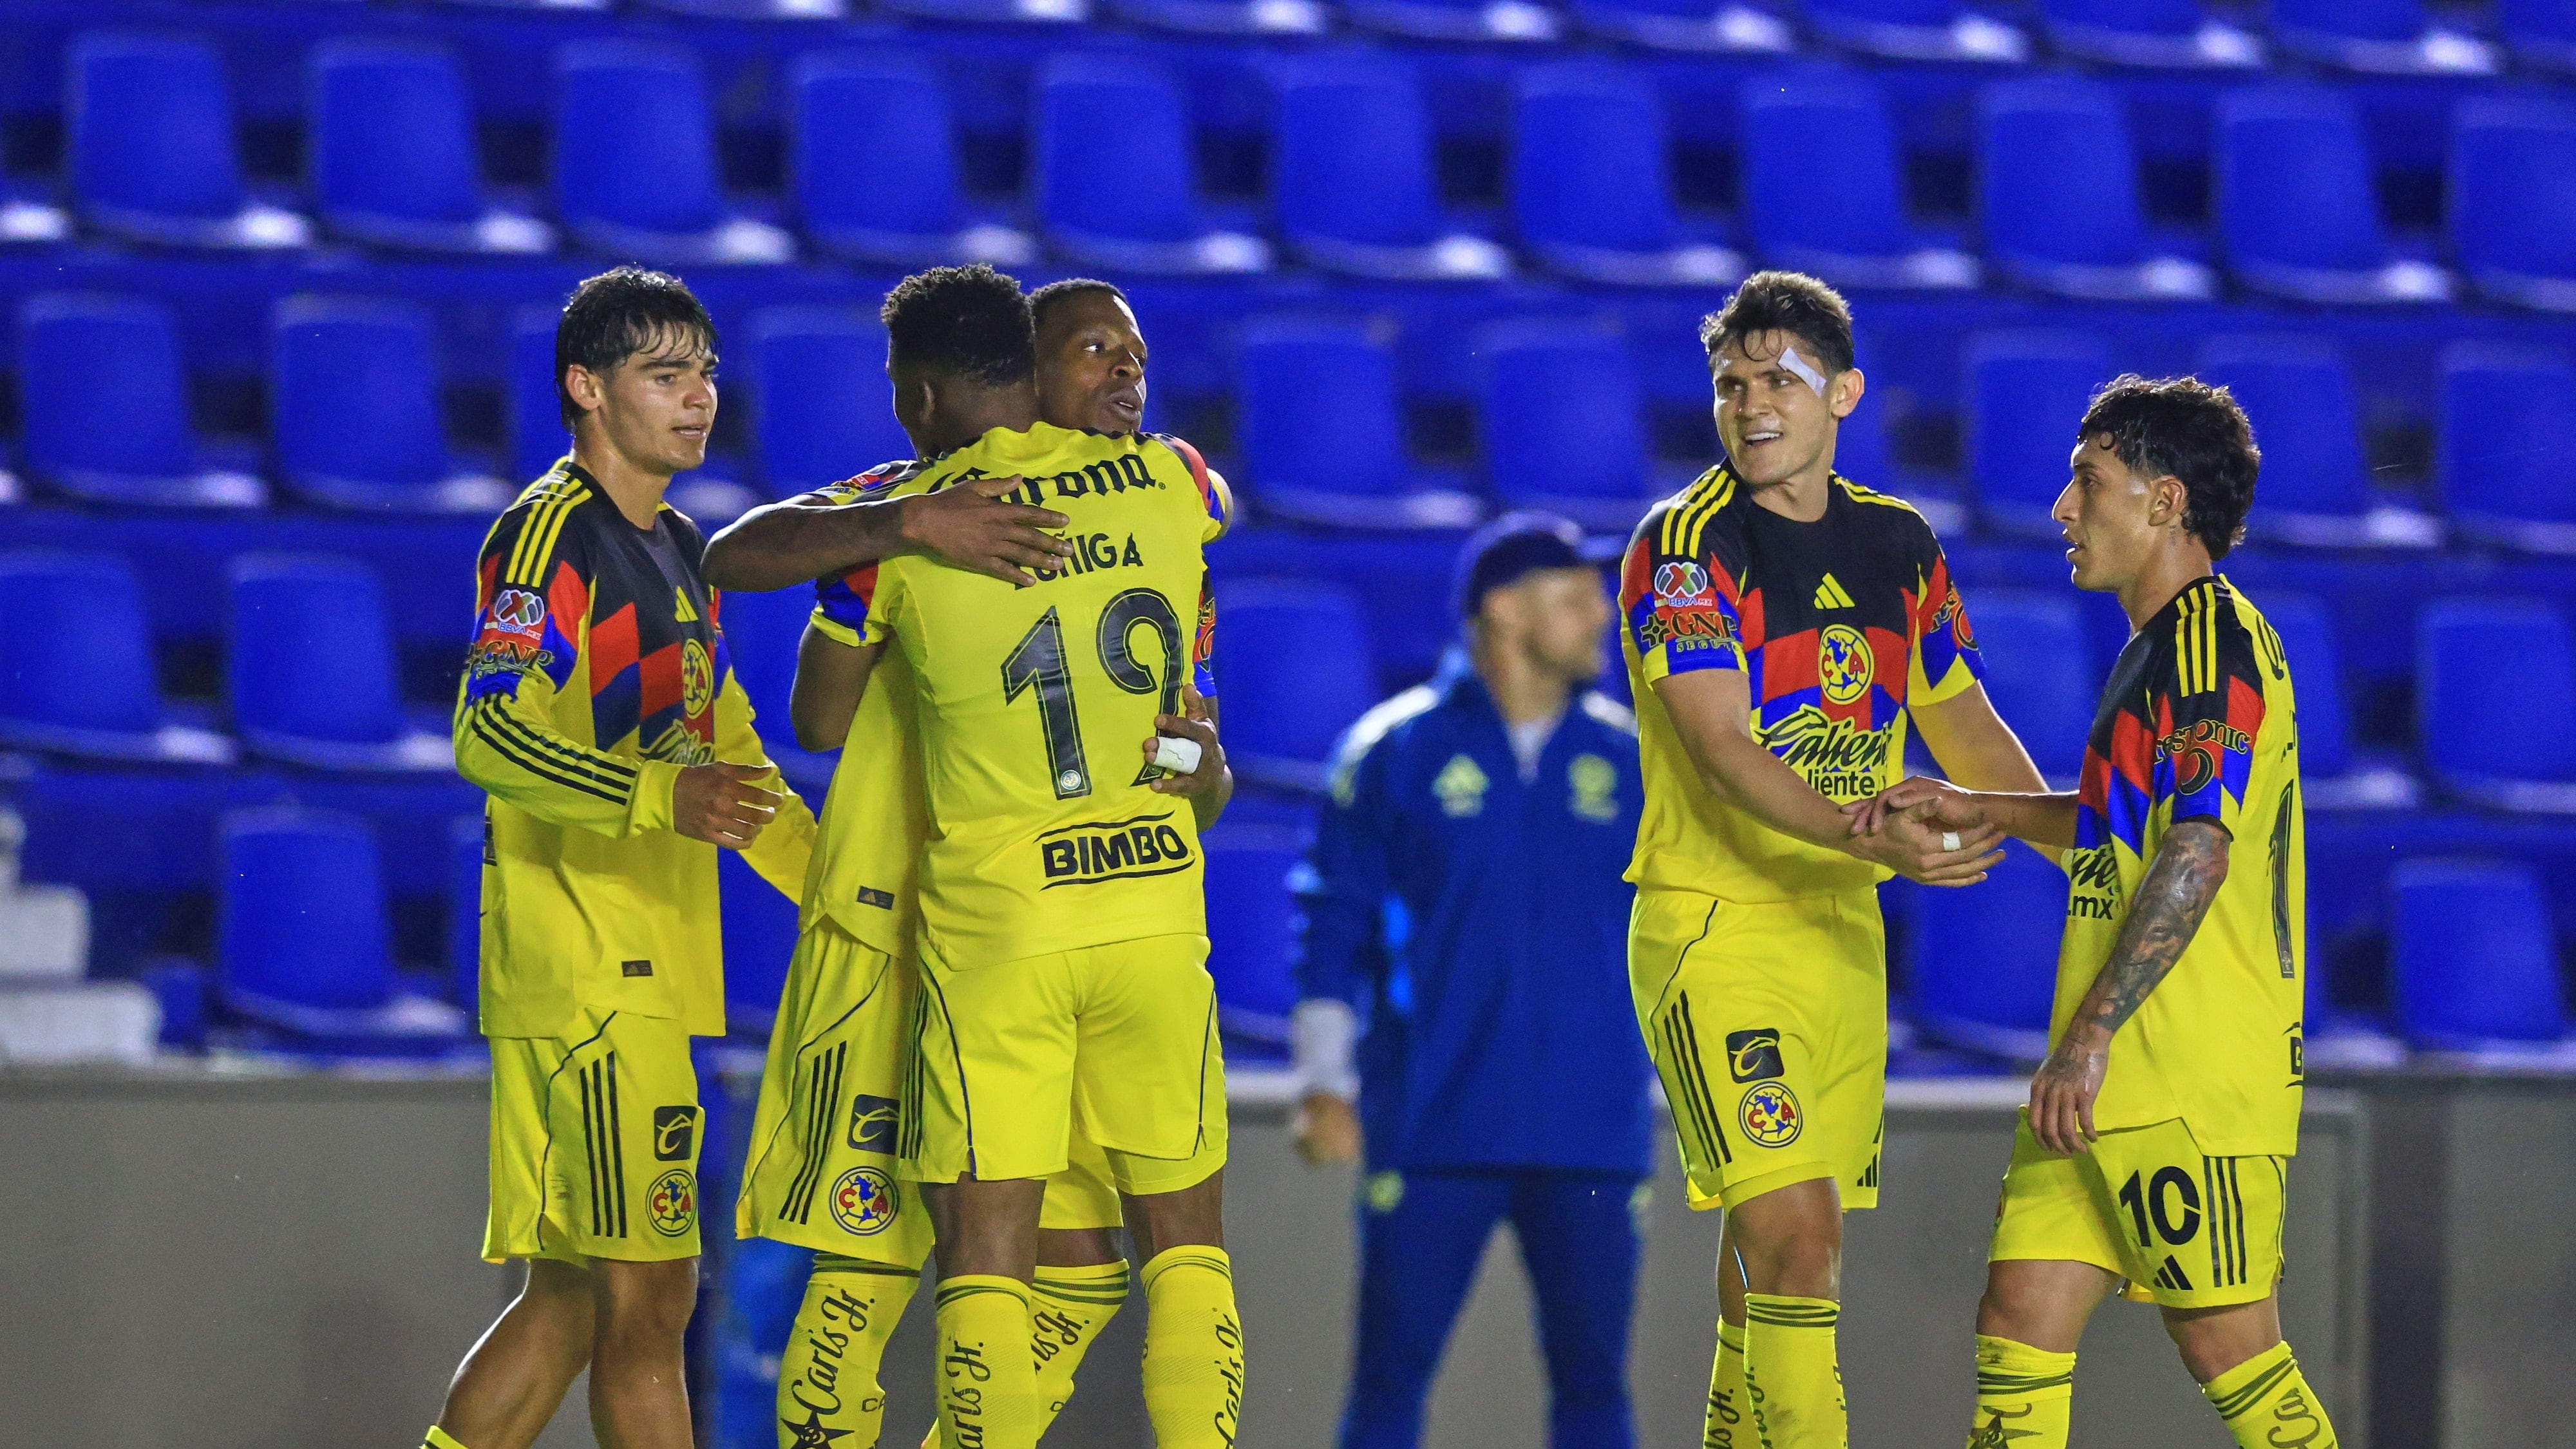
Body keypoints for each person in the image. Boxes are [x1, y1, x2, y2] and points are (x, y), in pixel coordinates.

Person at [721, 265, 1241, 1449]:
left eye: (1133, 352)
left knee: (1044, 1262)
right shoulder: (1171, 491)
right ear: (1025, 371)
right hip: (905, 925)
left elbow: (808, 700)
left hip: (994, 926)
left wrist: (1203, 770)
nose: (1125, 369)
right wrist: (907, 521)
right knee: (873, 1258)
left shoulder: (920, 521)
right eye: (1092, 350)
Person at [1849, 377, 2334, 1449]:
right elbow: (2128, 824)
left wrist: (2090, 1033)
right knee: (2019, 1316)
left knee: (2230, 1346)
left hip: (2184, 1071)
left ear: (2164, 500)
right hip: (2108, 1075)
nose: (2063, 507)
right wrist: (1982, 804)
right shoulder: (2157, 649)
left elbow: (2199, 848)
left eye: (2089, 480)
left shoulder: (2210, 645)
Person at [1616, 270, 2048, 1449]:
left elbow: (1966, 729)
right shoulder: (1683, 546)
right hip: (1716, 928)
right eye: (1730, 385)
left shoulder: (1899, 545)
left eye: (1780, 381)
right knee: (1797, 1239)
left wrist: (2083, 849)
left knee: (1776, 1257)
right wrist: (1874, 833)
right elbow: (1721, 751)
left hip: (1841, 938)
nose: (1751, 405)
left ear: (1844, 393)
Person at [421, 267, 820, 1449]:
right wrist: (656, 793)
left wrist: (853, 897)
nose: (699, 397)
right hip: (587, 974)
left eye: (705, 372)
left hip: (637, 971)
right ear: (586, 388)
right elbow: (486, 731)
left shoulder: (680, 546)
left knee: (571, 1302)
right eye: (665, 373)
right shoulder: (548, 537)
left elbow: (733, 763)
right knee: (650, 1302)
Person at [1291, 513, 1657, 1449]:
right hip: (1434, 1121)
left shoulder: (1633, 757)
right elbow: (1333, 924)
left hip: (1592, 1126)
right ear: (1504, 611)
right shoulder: (1394, 750)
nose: (1600, 619)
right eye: (1575, 599)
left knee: (1595, 1388)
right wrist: (1326, 1082)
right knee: (1387, 1382)